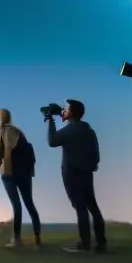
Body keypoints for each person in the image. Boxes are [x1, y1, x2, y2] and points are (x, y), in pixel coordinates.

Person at [46, 100, 106, 253]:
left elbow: (52, 141)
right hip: (86, 173)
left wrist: (50, 120)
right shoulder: (88, 129)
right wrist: (91, 166)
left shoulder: (70, 130)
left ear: (71, 113)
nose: (63, 111)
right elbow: (96, 152)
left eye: (66, 109)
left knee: (80, 208)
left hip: (71, 174)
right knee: (93, 207)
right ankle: (101, 243)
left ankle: (85, 244)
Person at [0, 108, 42, 248]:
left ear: (0, 119)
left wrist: (0, 167)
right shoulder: (19, 133)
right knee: (29, 204)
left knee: (16, 205)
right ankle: (38, 239)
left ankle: (17, 240)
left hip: (8, 174)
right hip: (24, 172)